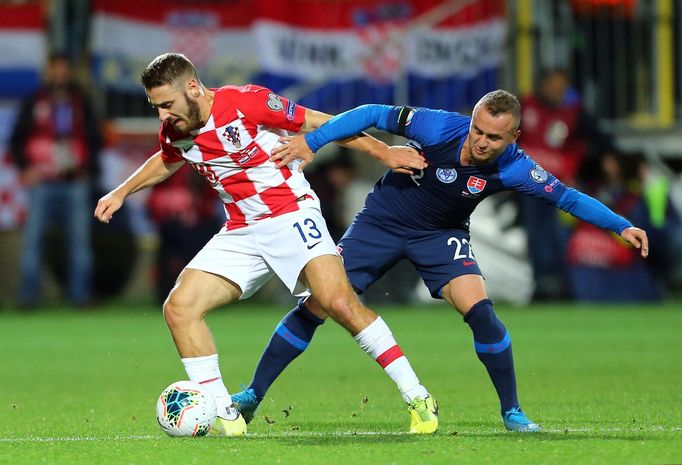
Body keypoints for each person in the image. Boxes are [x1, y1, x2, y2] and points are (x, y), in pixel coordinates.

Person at [230, 90, 649, 433]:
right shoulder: (438, 126)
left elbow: (569, 198)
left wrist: (620, 224)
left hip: (441, 236)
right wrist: (313, 141)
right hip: (381, 223)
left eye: (494, 138)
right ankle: (252, 394)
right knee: (319, 303)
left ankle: (512, 412)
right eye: (478, 130)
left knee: (482, 313)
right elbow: (373, 112)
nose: (481, 142)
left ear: (515, 137)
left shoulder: (517, 169)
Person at [93, 53, 437, 437]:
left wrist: (383, 152)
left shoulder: (246, 101)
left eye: (166, 105)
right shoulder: (176, 129)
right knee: (179, 308)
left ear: (192, 88)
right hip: (242, 230)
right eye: (155, 107)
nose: (162, 116)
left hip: (290, 213)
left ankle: (417, 396)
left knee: (339, 304)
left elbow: (320, 121)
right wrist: (122, 191)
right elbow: (167, 158)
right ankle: (227, 417)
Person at [9, 52, 101, 308]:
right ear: (48, 72)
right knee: (33, 240)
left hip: (74, 181)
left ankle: (81, 296)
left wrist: (88, 169)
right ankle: (28, 297)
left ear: (69, 72)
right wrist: (25, 168)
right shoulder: (34, 101)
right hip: (41, 181)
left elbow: (95, 139)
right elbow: (17, 139)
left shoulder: (81, 101)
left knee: (79, 241)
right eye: (55, 69)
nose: (60, 74)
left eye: (64, 69)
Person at [518, 68, 615, 300]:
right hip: (527, 186)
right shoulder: (523, 107)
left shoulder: (574, 114)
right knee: (536, 234)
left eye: (561, 87)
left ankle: (564, 285)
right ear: (542, 85)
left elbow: (599, 140)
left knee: (560, 235)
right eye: (553, 86)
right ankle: (542, 284)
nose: (557, 91)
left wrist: (609, 158)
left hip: (560, 188)